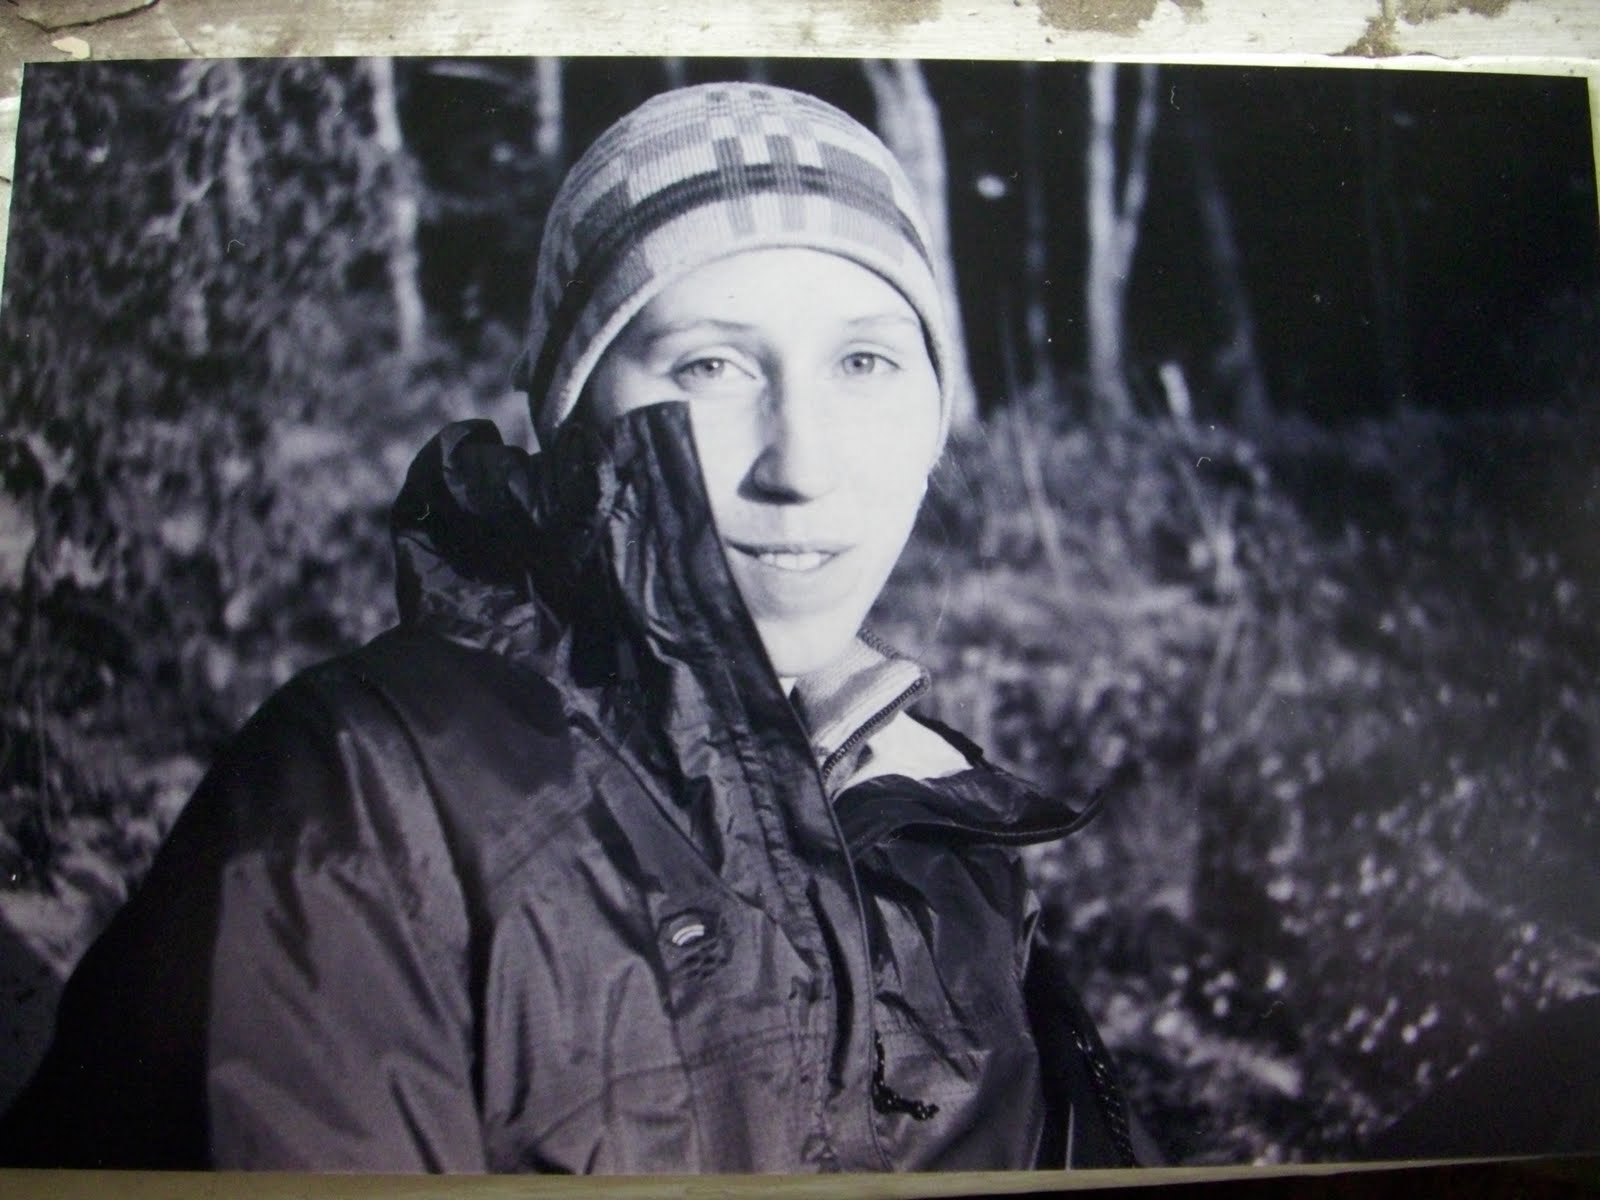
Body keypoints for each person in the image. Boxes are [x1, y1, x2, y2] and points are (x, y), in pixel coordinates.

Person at [0, 82, 1136, 1173]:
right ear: (573, 414)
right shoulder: (367, 797)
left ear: (934, 414)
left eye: (864, 361)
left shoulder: (942, 826)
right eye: (710, 364)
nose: (803, 463)